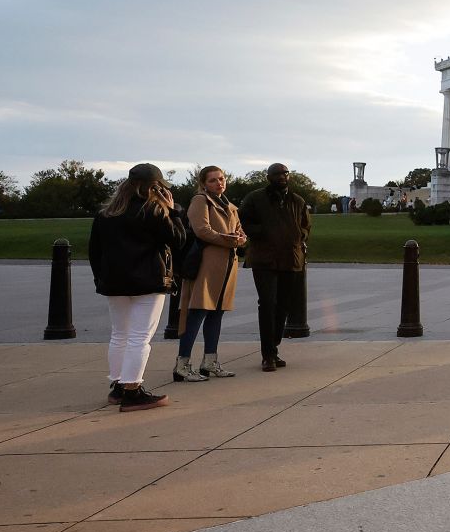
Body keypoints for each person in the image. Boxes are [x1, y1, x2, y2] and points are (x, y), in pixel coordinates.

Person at [88, 163, 186, 412]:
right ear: (154, 187)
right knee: (140, 337)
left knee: (120, 334)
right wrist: (173, 210)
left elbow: (94, 252)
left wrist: (102, 278)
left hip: (114, 282)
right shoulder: (153, 210)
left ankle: (119, 386)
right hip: (147, 280)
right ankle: (132, 390)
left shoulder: (106, 214)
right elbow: (178, 240)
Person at [173, 166, 248, 382]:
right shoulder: (201, 200)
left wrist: (240, 238)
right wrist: (230, 239)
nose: (219, 183)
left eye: (222, 179)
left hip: (227, 266)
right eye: (213, 180)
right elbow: (202, 230)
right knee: (197, 313)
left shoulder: (230, 206)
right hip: (206, 264)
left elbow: (241, 232)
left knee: (217, 314)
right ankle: (182, 364)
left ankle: (209, 362)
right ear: (204, 183)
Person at [238, 162, 311, 373]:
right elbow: (242, 222)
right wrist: (264, 232)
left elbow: (306, 225)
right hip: (264, 260)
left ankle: (274, 347)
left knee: (283, 306)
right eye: (277, 174)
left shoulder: (297, 200)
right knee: (268, 304)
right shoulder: (255, 198)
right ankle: (267, 354)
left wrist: (299, 236)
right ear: (268, 177)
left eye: (285, 173)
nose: (282, 177)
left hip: (290, 259)